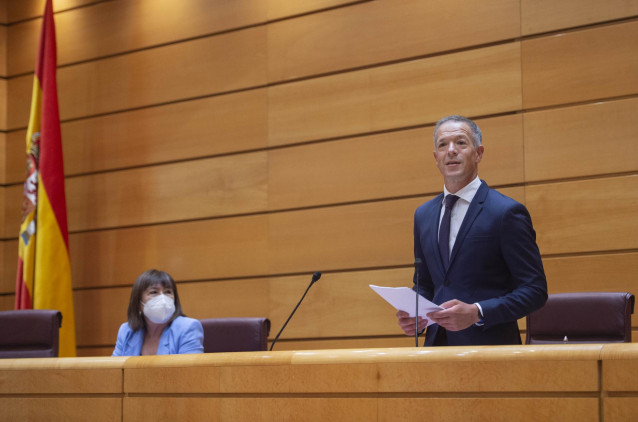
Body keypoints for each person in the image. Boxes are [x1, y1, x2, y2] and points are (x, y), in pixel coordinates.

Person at [396, 115, 547, 346]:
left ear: (478, 153)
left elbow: (535, 290)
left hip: (492, 352)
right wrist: (415, 311)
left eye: (461, 143)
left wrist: (478, 312)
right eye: (443, 145)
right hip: (436, 350)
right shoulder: (423, 215)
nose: (451, 151)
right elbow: (425, 283)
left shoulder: (506, 212)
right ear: (436, 158)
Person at [112, 269, 204, 356]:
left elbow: (190, 371)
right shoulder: (127, 331)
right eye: (153, 292)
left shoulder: (188, 327)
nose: (163, 299)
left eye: (168, 292)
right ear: (139, 302)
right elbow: (114, 370)